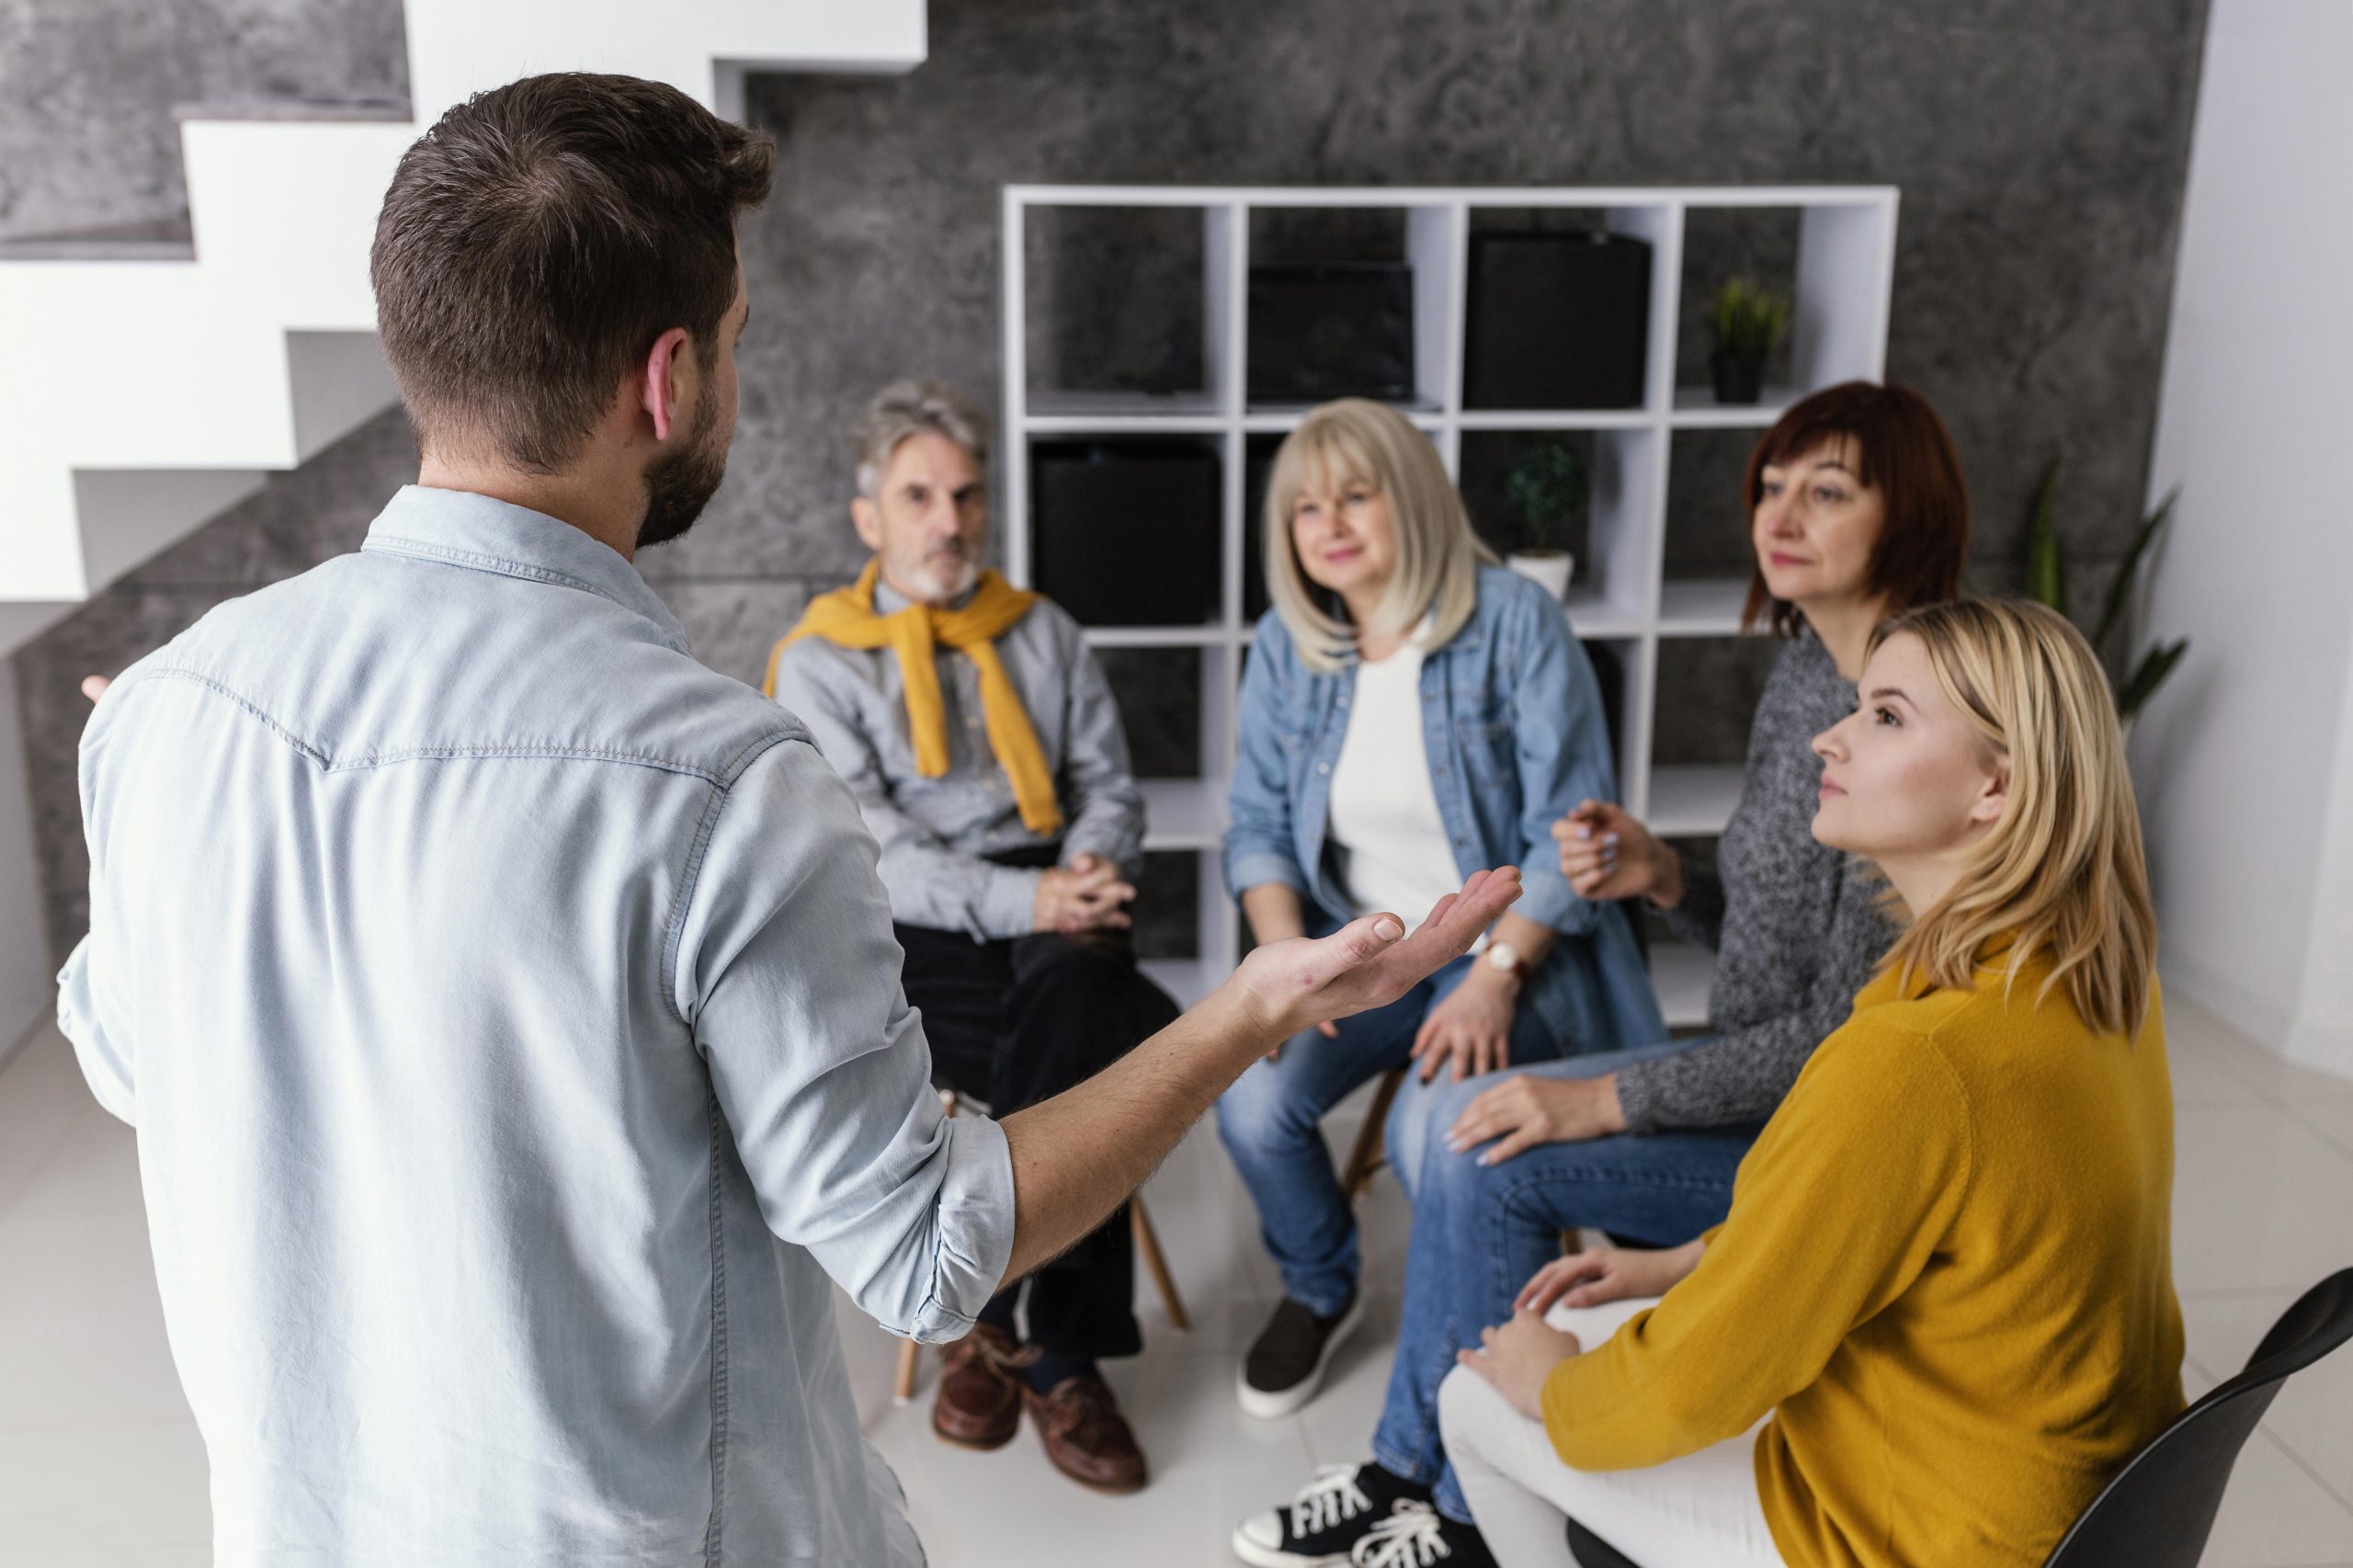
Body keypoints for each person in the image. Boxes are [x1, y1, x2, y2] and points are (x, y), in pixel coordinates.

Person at [53, 73, 1529, 1566]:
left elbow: (128, 1060)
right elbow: (924, 1252)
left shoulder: (168, 711)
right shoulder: (722, 779)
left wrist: (158, 781)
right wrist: (1259, 1002)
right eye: (739, 340)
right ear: (668, 380)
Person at [1231, 381, 1973, 1567]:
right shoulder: (1805, 681)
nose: (1779, 514)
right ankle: (1421, 1469)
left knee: (1467, 1137)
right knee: (1408, 1122)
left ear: (1910, 510)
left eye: (1828, 490)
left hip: (1815, 1135)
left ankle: (1434, 1491)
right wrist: (1666, 875)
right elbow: (1773, 948)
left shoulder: (1920, 722)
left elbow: (1846, 1038)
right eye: (1771, 485)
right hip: (1759, 1088)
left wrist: (1601, 1095)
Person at [1442, 598, 2184, 1568]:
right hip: (2051, 1496)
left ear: (1996, 786)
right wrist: (1689, 1259)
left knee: (1475, 1399)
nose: (1828, 738)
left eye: (1886, 716)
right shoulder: (2093, 979)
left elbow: (1689, 1391)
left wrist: (1549, 1387)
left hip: (1921, 1534)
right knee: (1607, 1330)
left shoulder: (1916, 1058)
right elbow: (1863, 1220)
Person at [766, 379, 1176, 1494]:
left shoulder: (1044, 632)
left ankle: (993, 1316)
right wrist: (1028, 903)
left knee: (1080, 1000)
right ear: (870, 518)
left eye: (966, 495)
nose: (949, 520)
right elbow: (873, 845)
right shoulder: (820, 658)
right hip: (912, 918)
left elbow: (1109, 786)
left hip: (1059, 892)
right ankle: (1064, 1352)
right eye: (918, 496)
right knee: (1095, 1046)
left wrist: (1085, 870)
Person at [1216, 398, 1663, 1423]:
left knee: (1436, 1133)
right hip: (1367, 945)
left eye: (1356, 495)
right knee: (1249, 1100)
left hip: (1520, 953)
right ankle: (1320, 1286)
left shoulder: (1515, 621)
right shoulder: (1288, 645)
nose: (1329, 523)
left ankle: (1480, 1355)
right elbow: (1256, 827)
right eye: (1306, 507)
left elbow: (1570, 832)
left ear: (1412, 496)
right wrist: (1285, 960)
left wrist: (1494, 976)